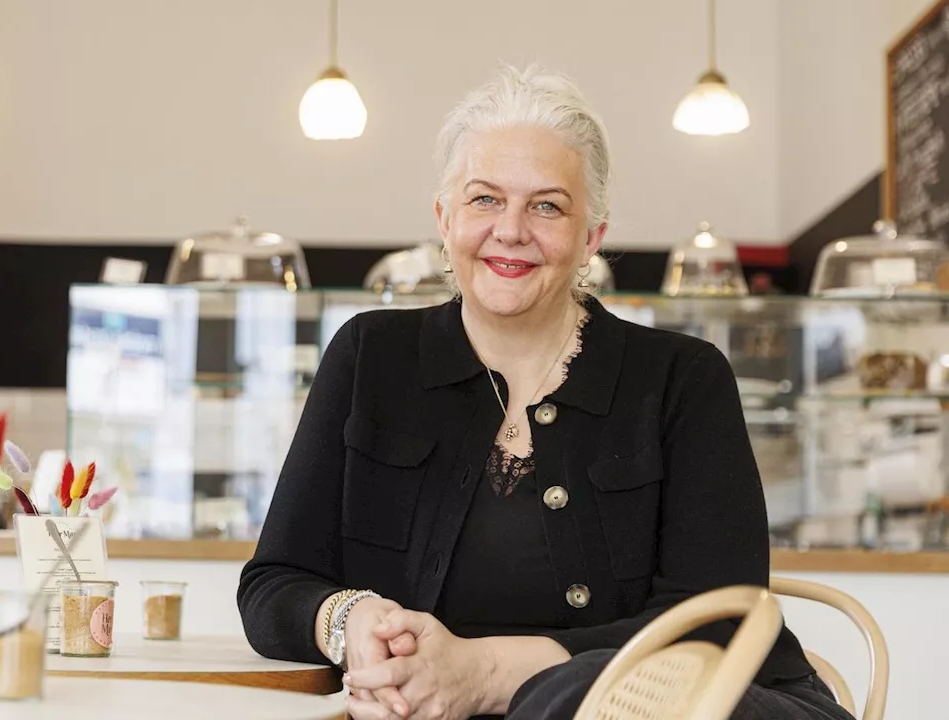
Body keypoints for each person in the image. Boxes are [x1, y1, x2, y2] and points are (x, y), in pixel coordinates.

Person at [236, 63, 853, 720]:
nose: (511, 230)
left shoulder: (682, 378)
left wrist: (485, 673)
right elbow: (273, 587)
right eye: (484, 199)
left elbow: (717, 625)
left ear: (591, 238)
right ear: (444, 219)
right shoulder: (369, 357)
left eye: (548, 206)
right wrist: (351, 621)